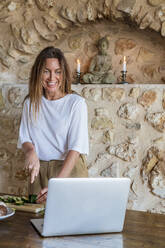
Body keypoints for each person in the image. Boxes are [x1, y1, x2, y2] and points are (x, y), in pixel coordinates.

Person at [17, 46, 89, 203]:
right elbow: (25, 137)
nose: (52, 77)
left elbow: (75, 149)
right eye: (46, 71)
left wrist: (57, 184)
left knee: (73, 222)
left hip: (69, 170)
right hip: (38, 171)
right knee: (35, 221)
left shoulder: (76, 103)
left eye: (57, 71)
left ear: (64, 74)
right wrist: (30, 152)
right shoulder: (30, 103)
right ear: (38, 73)